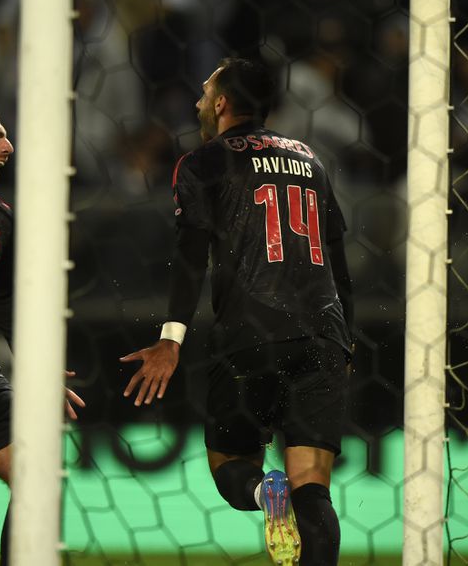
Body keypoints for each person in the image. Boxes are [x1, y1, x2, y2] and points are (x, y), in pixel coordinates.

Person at [120, 58, 354, 566]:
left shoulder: (204, 161)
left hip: (251, 335)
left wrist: (171, 339)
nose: (199, 102)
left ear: (223, 102)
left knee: (231, 467)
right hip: (322, 335)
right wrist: (347, 341)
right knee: (314, 491)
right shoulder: (310, 160)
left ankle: (261, 492)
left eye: (205, 92)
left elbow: (189, 256)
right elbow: (339, 261)